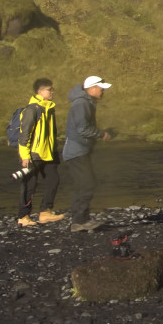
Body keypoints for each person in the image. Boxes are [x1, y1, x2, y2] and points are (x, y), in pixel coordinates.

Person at [61, 75, 113, 232]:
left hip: (79, 150)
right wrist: (101, 134)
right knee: (87, 184)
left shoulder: (86, 102)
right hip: (76, 151)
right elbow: (82, 129)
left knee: (84, 184)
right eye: (101, 89)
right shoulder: (82, 103)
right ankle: (79, 221)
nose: (103, 92)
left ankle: (80, 220)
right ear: (92, 89)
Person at [16, 78, 63, 226]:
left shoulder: (49, 108)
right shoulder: (32, 109)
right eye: (49, 89)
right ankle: (23, 217)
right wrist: (25, 156)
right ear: (40, 91)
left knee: (53, 180)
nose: (52, 92)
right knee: (30, 185)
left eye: (52, 89)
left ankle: (45, 212)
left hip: (48, 153)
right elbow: (24, 135)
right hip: (33, 154)